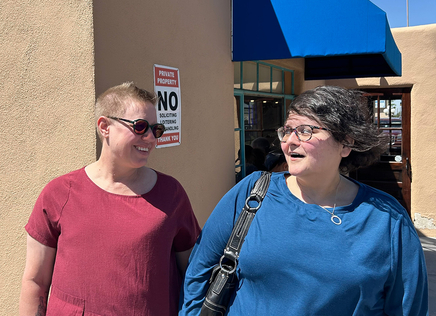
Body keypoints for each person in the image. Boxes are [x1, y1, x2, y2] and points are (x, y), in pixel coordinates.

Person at [180, 86, 428, 315]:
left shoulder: (387, 220)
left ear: (346, 143)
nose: (290, 141)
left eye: (306, 131)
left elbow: (408, 308)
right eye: (287, 130)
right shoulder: (252, 192)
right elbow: (199, 270)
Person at [19, 82, 201, 316]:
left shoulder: (171, 194)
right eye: (140, 126)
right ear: (105, 127)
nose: (150, 138)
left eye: (156, 130)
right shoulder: (60, 193)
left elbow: (193, 274)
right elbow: (35, 282)